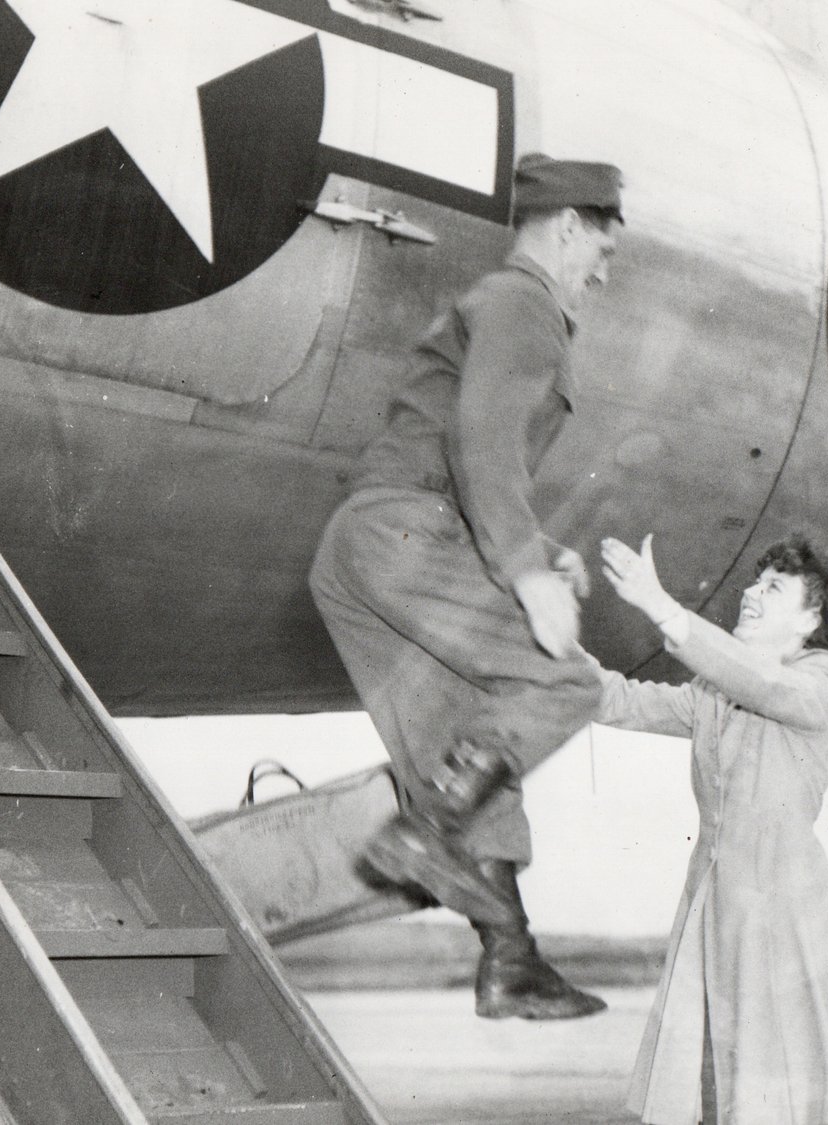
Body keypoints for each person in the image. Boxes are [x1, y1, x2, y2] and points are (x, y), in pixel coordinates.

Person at [307, 153, 624, 1020]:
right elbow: (484, 441)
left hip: (362, 549)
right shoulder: (528, 303)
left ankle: (509, 960)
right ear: (569, 229)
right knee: (565, 682)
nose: (602, 272)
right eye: (604, 250)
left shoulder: (495, 302)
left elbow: (452, 449)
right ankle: (424, 834)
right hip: (406, 534)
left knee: (467, 754)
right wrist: (527, 574)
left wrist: (539, 548)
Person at [594, 531, 828, 1125]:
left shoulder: (825, 678)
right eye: (754, 581)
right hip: (712, 905)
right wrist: (533, 643)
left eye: (774, 588)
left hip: (782, 910)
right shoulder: (713, 691)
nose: (750, 592)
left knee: (779, 1091)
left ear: (811, 619)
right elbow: (619, 700)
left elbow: (766, 683)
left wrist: (660, 604)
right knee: (714, 1085)